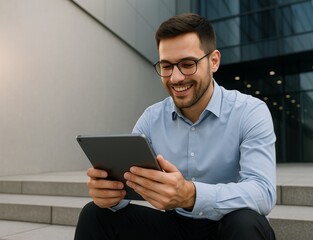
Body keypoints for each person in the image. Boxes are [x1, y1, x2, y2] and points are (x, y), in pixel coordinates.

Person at [74, 13, 276, 240]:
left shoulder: (250, 111)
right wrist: (110, 196)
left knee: (246, 221)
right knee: (94, 214)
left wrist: (191, 195)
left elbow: (263, 193)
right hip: (174, 227)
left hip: (227, 227)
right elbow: (128, 185)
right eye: (166, 66)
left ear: (214, 61)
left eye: (188, 64)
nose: (176, 78)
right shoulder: (151, 119)